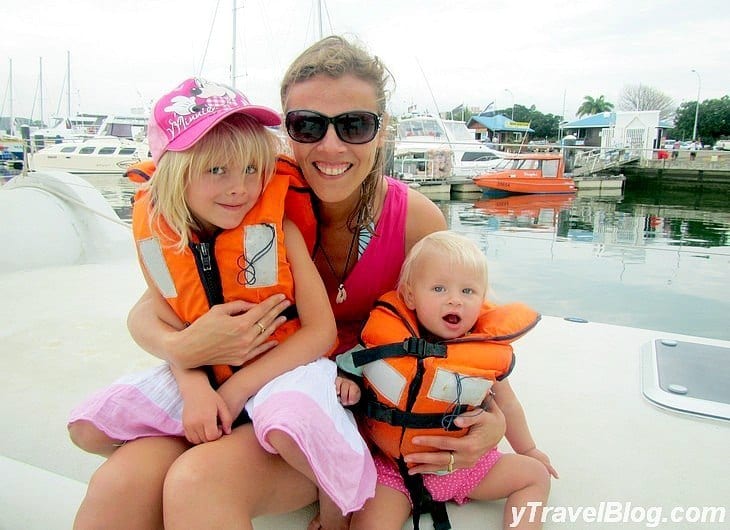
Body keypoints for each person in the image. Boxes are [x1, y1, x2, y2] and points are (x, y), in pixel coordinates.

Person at [72, 36, 506, 530]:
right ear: (286, 131)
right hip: (230, 393)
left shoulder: (415, 222)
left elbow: (470, 328)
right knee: (119, 484)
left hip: (339, 413)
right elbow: (152, 308)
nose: (331, 145)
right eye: (307, 125)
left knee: (199, 481)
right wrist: (183, 347)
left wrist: (495, 420)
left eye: (355, 125)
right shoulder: (237, 206)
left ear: (380, 134)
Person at [69, 77, 375, 529]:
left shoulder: (277, 230)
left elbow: (320, 331)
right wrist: (196, 392)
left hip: (279, 380)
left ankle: (336, 492)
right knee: (91, 434)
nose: (240, 188)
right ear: (175, 171)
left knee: (265, 438)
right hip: (204, 380)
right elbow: (168, 319)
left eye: (252, 170)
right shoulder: (161, 238)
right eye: (218, 171)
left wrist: (232, 393)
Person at [340, 231, 557, 530]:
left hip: (470, 467)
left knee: (535, 476)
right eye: (439, 288)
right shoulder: (385, 341)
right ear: (411, 296)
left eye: (468, 292)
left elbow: (508, 403)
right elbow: (349, 366)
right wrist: (348, 382)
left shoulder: (482, 352)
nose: (455, 300)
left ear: (481, 301)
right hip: (398, 472)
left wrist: (529, 450)